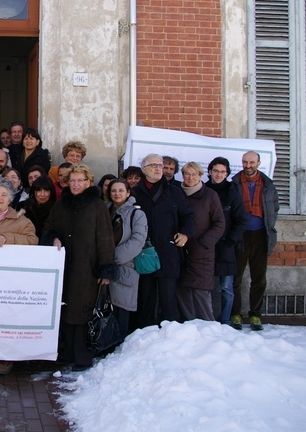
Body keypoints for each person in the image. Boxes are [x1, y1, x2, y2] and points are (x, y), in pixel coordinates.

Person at [41, 164, 116, 371]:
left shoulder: (97, 205)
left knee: (82, 312)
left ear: (88, 182)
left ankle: (82, 356)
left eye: (80, 180)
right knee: (65, 309)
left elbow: (105, 238)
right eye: (72, 180)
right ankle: (66, 353)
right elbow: (49, 226)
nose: (75, 184)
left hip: (86, 267)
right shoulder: (61, 204)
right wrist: (53, 237)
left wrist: (105, 269)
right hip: (63, 266)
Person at [0, 178, 38, 375]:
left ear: (11, 199)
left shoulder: (22, 221)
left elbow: (33, 241)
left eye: (4, 195)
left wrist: (10, 238)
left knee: (7, 318)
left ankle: (7, 357)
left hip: (10, 280)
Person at [131, 154, 195, 328]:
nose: (159, 168)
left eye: (160, 165)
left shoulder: (174, 191)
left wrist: (185, 234)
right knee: (145, 299)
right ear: (144, 169)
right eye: (154, 165)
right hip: (144, 252)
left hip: (168, 252)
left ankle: (170, 336)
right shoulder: (135, 193)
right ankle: (143, 335)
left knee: (168, 300)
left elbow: (188, 217)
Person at [231, 151, 280, 331]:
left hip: (261, 235)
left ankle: (255, 315)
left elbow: (274, 207)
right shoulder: (234, 184)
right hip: (241, 235)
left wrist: (269, 224)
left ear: (258, 163)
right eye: (245, 162)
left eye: (252, 162)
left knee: (259, 279)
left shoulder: (268, 184)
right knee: (235, 278)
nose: (248, 165)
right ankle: (235, 313)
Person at [177, 162, 225, 322]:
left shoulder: (210, 195)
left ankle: (207, 327)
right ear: (182, 175)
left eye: (194, 174)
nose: (190, 178)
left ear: (201, 175)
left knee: (200, 290)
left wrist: (204, 242)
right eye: (187, 174)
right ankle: (188, 326)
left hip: (201, 251)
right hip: (180, 249)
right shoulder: (176, 193)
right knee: (182, 289)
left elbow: (219, 223)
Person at [205, 156, 247, 326]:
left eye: (223, 172)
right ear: (209, 172)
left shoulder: (233, 192)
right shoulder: (203, 190)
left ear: (227, 173)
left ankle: (225, 320)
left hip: (227, 246)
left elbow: (241, 220)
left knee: (226, 288)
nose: (219, 174)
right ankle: (206, 320)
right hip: (206, 245)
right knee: (204, 286)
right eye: (216, 171)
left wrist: (230, 241)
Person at [107, 179, 147, 338]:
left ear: (128, 192)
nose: (117, 194)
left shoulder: (137, 214)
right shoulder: (105, 210)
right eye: (113, 190)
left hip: (125, 267)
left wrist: (111, 258)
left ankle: (118, 346)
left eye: (121, 190)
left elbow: (138, 240)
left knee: (121, 310)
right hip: (104, 268)